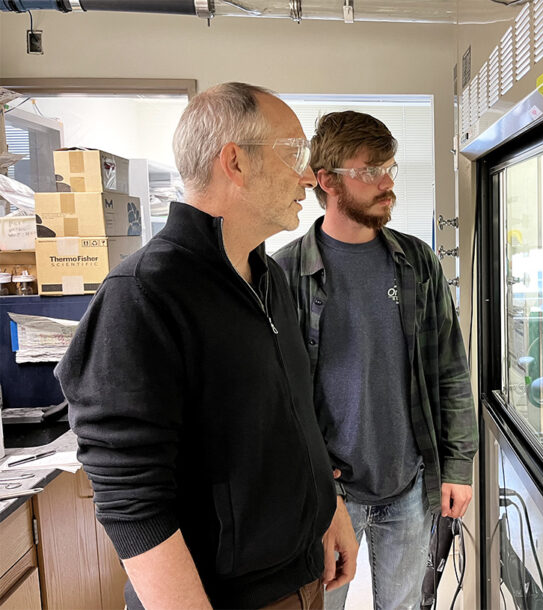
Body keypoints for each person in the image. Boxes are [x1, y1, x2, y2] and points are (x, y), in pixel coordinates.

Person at [56, 82, 357, 609]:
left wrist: (328, 508)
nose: (309, 177)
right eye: (294, 154)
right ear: (235, 162)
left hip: (303, 574)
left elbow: (291, 418)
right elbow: (131, 501)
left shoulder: (269, 278)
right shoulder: (144, 295)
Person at [273, 111, 478, 610]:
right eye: (369, 172)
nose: (386, 183)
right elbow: (280, 401)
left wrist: (458, 464)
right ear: (327, 181)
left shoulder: (418, 263)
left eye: (390, 167)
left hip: (408, 484)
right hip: (329, 493)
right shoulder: (284, 274)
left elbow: (450, 368)